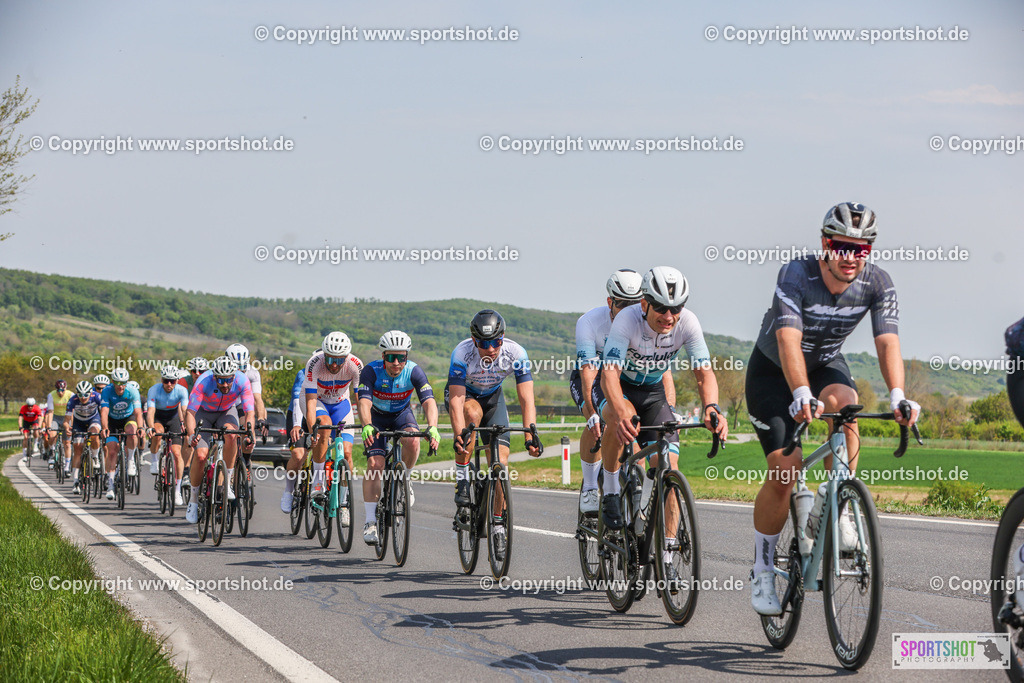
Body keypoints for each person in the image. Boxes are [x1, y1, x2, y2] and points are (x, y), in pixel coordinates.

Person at [745, 202, 920, 615]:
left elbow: (887, 342)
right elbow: (788, 339)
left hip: (825, 364)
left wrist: (898, 395)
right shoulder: (796, 274)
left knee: (847, 408)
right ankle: (763, 569)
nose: (851, 257)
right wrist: (801, 392)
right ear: (825, 244)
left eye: (861, 249)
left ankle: (839, 504)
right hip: (773, 371)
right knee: (785, 470)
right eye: (842, 247)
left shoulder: (879, 283)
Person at [599, 266, 727, 555]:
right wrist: (620, 410)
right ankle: (609, 489)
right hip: (618, 385)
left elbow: (704, 373)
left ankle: (668, 550)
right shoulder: (625, 321)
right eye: (660, 308)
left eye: (675, 308)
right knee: (620, 420)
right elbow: (608, 375)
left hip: (653, 393)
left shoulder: (688, 323)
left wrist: (711, 407)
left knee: (669, 464)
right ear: (644, 303)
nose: (668, 316)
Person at [447, 311, 540, 555]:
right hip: (464, 396)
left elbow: (526, 398)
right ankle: (462, 480)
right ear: (473, 340)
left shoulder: (516, 353)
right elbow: (456, 401)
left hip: (494, 399)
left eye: (496, 342)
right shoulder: (461, 354)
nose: (490, 349)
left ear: (503, 338)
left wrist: (530, 434)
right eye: (484, 343)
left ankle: (498, 523)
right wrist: (459, 435)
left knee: (501, 463)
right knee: (472, 414)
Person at [572, 268, 660, 515]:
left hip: (625, 380)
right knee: (598, 422)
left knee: (633, 426)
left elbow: (663, 372)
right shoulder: (589, 322)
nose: (630, 310)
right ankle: (590, 487)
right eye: (623, 304)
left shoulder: (645, 323)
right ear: (610, 302)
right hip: (591, 378)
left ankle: (635, 488)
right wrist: (592, 413)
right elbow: (588, 373)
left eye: (635, 304)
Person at [357, 331, 440, 545]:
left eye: (401, 357)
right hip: (376, 417)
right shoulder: (371, 371)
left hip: (401, 415)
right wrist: (366, 425)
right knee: (376, 464)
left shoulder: (414, 371)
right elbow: (364, 402)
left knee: (413, 440)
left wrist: (433, 427)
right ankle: (370, 521)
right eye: (391, 357)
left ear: (407, 357)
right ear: (383, 356)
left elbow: (429, 401)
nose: (396, 362)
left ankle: (406, 479)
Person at [297, 333, 363, 529]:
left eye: (339, 360)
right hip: (316, 401)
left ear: (347, 357)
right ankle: (318, 481)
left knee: (348, 453)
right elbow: (310, 403)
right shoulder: (314, 363)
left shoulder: (356, 365)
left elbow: (361, 400)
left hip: (341, 404)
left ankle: (344, 503)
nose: (334, 364)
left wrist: (366, 423)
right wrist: (312, 431)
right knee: (323, 426)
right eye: (330, 359)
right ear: (324, 354)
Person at [184, 356, 255, 524]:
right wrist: (192, 435)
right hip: (204, 413)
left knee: (232, 435)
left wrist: (250, 433)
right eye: (221, 380)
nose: (224, 384)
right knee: (201, 455)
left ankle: (228, 483)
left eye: (228, 380)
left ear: (234, 376)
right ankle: (193, 500)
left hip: (226, 412)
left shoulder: (242, 380)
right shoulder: (203, 381)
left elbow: (249, 410)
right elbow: (190, 412)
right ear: (214, 376)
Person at [146, 365, 189, 506]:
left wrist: (187, 426)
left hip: (174, 418)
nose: (169, 384)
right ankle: (154, 460)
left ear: (177, 380)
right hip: (158, 417)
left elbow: (184, 409)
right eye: (166, 381)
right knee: (157, 434)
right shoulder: (154, 390)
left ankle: (177, 490)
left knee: (177, 453)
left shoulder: (182, 390)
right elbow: (151, 412)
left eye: (172, 381)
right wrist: (150, 427)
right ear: (162, 379)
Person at [226, 343, 268, 464]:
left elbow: (257, 399)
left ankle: (246, 462)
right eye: (236, 367)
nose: (240, 370)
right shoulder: (222, 370)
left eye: (243, 366)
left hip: (241, 403)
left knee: (248, 427)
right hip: (226, 403)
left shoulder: (252, 373)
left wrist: (261, 418)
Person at [281, 355, 313, 513]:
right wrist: (296, 425)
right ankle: (289, 490)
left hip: (318, 416)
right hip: (299, 415)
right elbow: (296, 400)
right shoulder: (303, 374)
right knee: (299, 455)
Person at [65, 381, 103, 495]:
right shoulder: (72, 400)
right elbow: (66, 420)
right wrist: (67, 427)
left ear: (90, 393)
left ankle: (95, 457)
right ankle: (76, 480)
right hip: (79, 423)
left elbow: (105, 412)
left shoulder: (97, 397)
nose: (83, 397)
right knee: (77, 448)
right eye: (80, 395)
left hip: (93, 419)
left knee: (94, 434)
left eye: (85, 395)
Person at [43, 380, 74, 470]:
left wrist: (72, 425)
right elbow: (50, 412)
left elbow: (72, 412)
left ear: (66, 389)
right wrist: (48, 427)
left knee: (67, 443)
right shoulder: (51, 395)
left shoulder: (70, 395)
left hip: (66, 417)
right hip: (55, 417)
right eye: (58, 391)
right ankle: (52, 452)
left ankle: (67, 466)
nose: (60, 393)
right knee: (52, 435)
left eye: (62, 390)